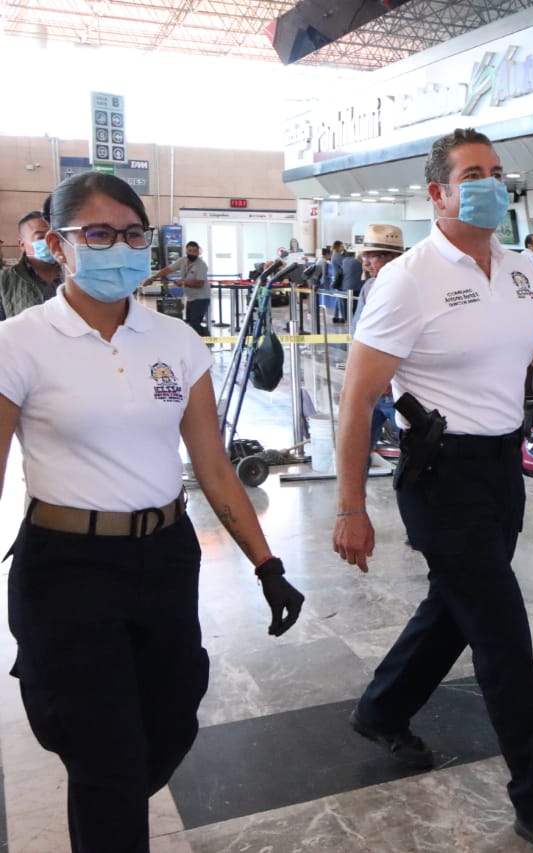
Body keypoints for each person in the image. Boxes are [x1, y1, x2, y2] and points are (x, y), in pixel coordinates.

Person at [332, 128, 533, 853]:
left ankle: (382, 708)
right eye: (473, 173)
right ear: (437, 192)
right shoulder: (406, 279)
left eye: (497, 172)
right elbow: (357, 398)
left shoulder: (521, 268)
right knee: (500, 631)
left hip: (503, 469)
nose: (491, 184)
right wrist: (350, 506)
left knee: (455, 604)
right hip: (442, 477)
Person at [0, 171, 303, 852]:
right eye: (98, 233)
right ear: (56, 243)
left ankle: (108, 784)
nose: (120, 247)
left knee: (168, 724)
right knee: (103, 753)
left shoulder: (174, 341)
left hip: (164, 555)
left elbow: (214, 466)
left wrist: (267, 563)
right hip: (67, 568)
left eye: (133, 233)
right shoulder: (19, 342)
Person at [350, 224, 406, 448]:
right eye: (365, 256)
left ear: (391, 258)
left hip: (400, 393)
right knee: (356, 451)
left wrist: (391, 379)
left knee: (414, 457)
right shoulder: (368, 288)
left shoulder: (411, 289)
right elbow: (357, 334)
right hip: (370, 391)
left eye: (372, 257)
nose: (365, 263)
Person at [0, 209, 63, 319]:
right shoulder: (4, 281)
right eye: (41, 237)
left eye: (55, 235)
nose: (51, 241)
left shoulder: (75, 274)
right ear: (22, 244)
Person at [146, 241, 210, 336]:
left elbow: (199, 283)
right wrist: (153, 278)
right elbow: (168, 269)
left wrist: (183, 282)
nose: (192, 253)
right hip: (191, 298)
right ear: (186, 251)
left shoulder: (201, 265)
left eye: (195, 251)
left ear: (198, 252)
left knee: (195, 323)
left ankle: (207, 341)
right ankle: (195, 342)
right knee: (189, 322)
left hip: (201, 298)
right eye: (190, 250)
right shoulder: (182, 260)